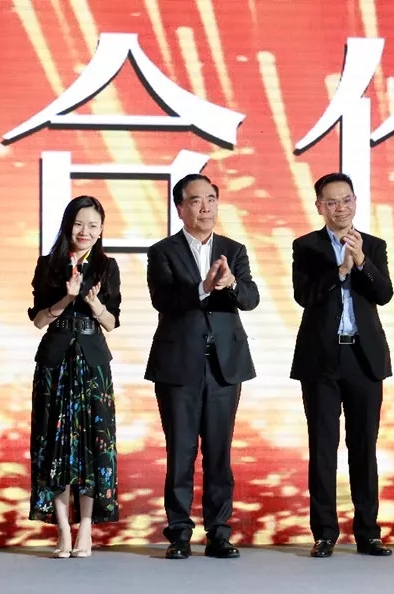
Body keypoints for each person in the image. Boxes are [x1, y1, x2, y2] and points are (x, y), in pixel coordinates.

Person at [145, 173, 260, 559]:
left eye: (211, 199)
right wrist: (203, 288)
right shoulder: (162, 252)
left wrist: (231, 285)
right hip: (178, 364)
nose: (205, 207)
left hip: (224, 365)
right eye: (195, 200)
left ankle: (219, 533)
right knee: (180, 451)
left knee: (219, 452)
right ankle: (179, 533)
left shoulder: (233, 249)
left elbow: (251, 298)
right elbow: (163, 300)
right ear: (180, 208)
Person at [290, 172, 394, 558]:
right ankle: (324, 533)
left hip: (363, 358)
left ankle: (368, 532)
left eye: (346, 200)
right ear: (319, 206)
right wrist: (340, 272)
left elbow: (384, 293)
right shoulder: (306, 246)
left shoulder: (374, 245)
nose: (340, 208)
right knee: (323, 446)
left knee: (363, 446)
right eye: (331, 202)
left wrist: (362, 261)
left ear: (355, 202)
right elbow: (304, 296)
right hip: (321, 359)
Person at [27, 196, 120, 559]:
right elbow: (39, 321)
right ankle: (63, 529)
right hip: (55, 363)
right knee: (55, 443)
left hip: (93, 363)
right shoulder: (48, 265)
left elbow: (112, 322)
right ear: (68, 225)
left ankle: (86, 529)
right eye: (80, 224)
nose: (86, 232)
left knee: (94, 445)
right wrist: (66, 299)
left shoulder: (107, 267)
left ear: (101, 229)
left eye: (93, 226)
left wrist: (95, 305)